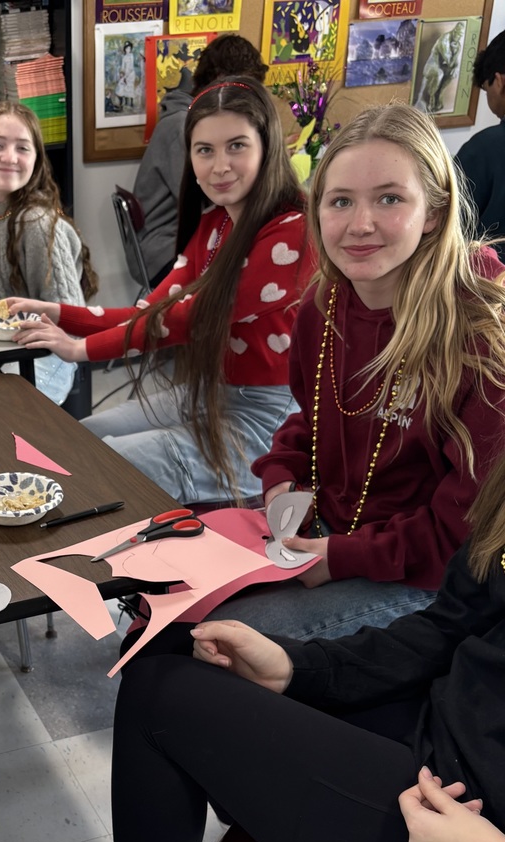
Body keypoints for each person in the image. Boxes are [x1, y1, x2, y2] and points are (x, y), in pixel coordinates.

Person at [110, 445, 505, 842]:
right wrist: (294, 668)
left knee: (157, 694)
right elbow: (451, 624)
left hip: (471, 816)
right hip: (444, 723)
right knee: (175, 646)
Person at [215, 102, 505, 641]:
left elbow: (464, 528)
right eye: (340, 201)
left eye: (390, 199)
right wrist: (281, 479)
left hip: (425, 578)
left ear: (435, 213)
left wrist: (340, 558)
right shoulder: (322, 309)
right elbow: (311, 418)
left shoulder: (481, 331)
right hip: (328, 535)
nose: (360, 224)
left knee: (216, 640)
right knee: (166, 598)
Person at [6, 76, 312, 505]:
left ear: (267, 146)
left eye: (237, 146)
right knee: (81, 437)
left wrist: (78, 350)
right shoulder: (216, 223)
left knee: (103, 462)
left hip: (269, 420)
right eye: (204, 150)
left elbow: (187, 319)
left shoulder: (293, 232)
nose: (219, 165)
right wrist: (58, 313)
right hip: (212, 392)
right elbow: (150, 310)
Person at [0, 101, 99, 405]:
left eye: (22, 148)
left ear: (36, 161)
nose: (9, 157)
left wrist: (4, 361)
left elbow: (71, 327)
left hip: (42, 354)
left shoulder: (37, 224)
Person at [134, 34, 269, 286]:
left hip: (180, 239)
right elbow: (211, 200)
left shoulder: (193, 119)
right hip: (165, 249)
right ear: (221, 83)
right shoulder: (183, 126)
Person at [457, 29, 505, 261]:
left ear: (499, 81)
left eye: (486, 90)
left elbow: (450, 231)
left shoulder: (483, 150)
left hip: (490, 290)